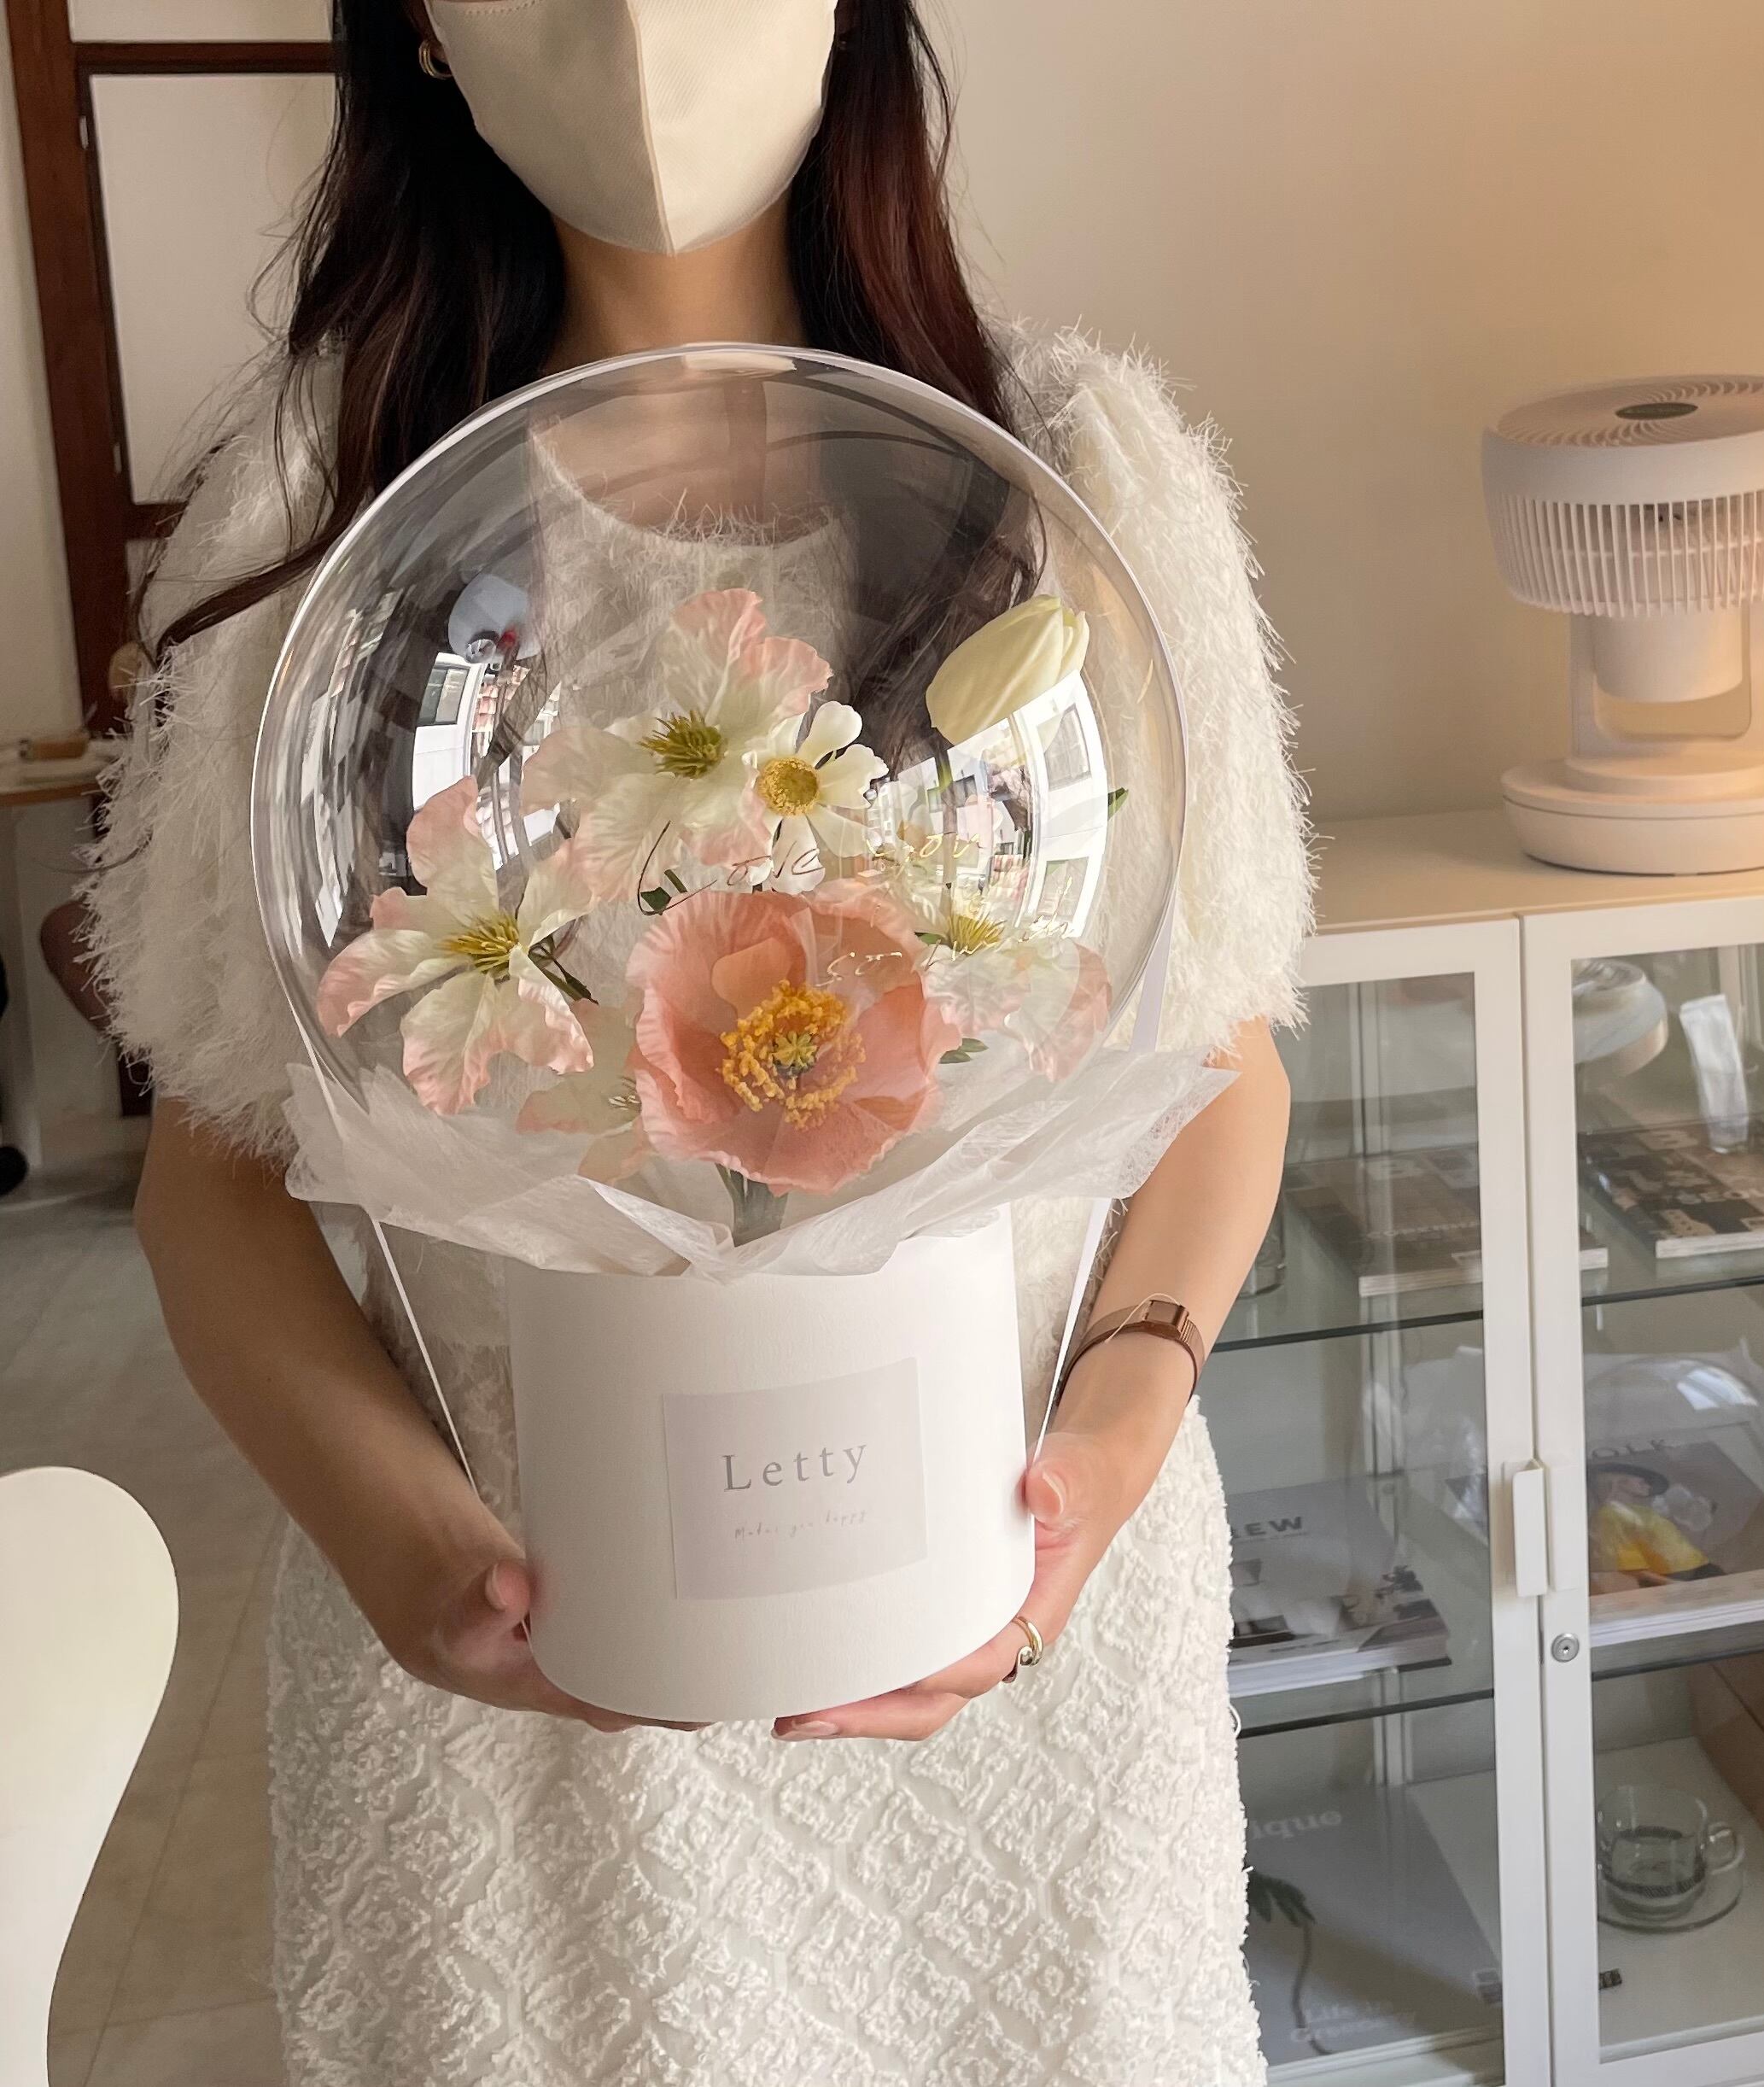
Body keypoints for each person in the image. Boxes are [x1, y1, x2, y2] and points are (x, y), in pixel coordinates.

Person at [85, 2, 1311, 2080]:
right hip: (530, 1688)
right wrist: (403, 1546)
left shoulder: (1073, 478)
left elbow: (1217, 1062)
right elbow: (212, 1172)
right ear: (425, 36)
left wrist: (1101, 1462)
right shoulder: (326, 514)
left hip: (1011, 1637)